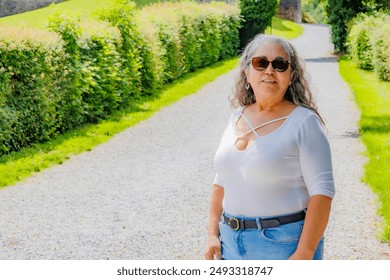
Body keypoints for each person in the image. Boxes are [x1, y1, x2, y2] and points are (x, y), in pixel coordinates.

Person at [204, 34, 335, 260]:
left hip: (282, 245)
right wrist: (212, 234)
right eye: (260, 62)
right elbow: (222, 180)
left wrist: (304, 253)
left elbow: (322, 192)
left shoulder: (305, 122)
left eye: (280, 64)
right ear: (247, 72)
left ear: (291, 75)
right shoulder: (236, 116)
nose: (269, 70)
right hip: (230, 244)